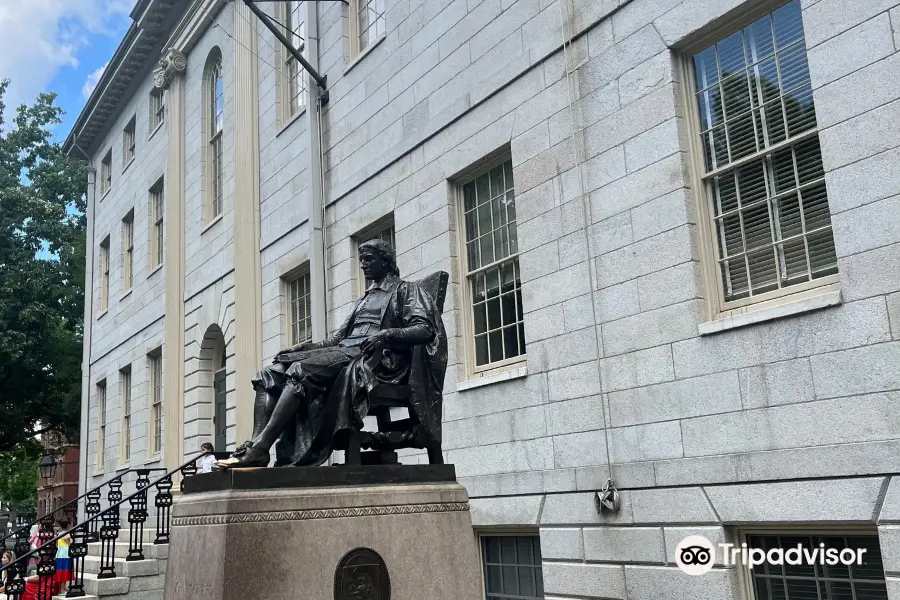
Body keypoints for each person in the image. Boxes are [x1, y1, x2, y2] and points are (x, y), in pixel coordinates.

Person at [216, 239, 444, 469]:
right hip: (346, 352)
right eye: (361, 259)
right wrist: (303, 348)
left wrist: (386, 334)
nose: (363, 264)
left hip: (378, 363)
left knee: (299, 372)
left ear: (386, 261)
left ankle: (261, 446)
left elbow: (425, 329)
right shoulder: (363, 300)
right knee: (270, 373)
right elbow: (336, 340)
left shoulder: (406, 290)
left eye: (369, 259)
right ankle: (256, 447)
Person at [54, 519, 72, 594]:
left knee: (60, 572)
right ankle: (62, 590)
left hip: (59, 553)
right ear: (67, 525)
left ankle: (61, 589)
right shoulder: (67, 534)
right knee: (64, 572)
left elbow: (57, 545)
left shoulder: (59, 534)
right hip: (65, 554)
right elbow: (70, 542)